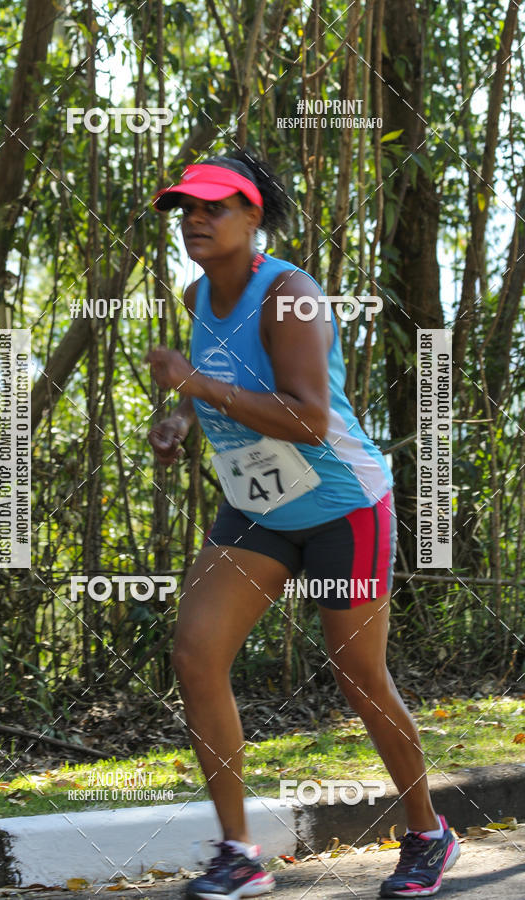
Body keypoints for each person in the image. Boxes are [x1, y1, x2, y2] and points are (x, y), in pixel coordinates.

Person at [146, 149, 460, 900]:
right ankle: (239, 854)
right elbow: (212, 375)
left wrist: (196, 384)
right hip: (257, 508)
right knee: (196, 656)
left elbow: (310, 419)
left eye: (214, 207)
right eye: (186, 208)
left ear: (253, 217)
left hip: (341, 508)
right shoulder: (197, 297)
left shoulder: (292, 296)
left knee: (359, 676)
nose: (194, 220)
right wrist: (181, 417)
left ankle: (428, 833)